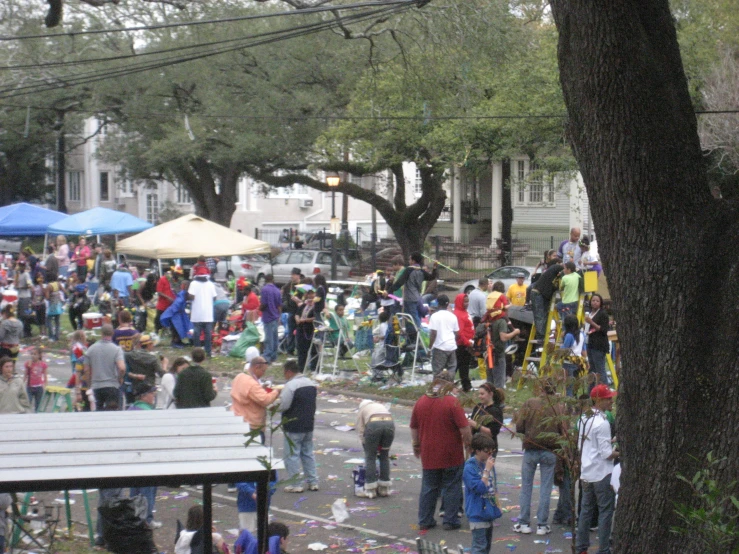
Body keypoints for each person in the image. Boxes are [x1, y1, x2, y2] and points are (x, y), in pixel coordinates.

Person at [410, 371, 472, 531]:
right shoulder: (452, 402)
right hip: (451, 452)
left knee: (429, 487)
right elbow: (465, 428)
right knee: (452, 486)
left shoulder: (421, 401)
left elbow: (414, 427)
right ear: (450, 384)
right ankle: (450, 520)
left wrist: (416, 446)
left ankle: (425, 519)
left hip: (428, 453)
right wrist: (468, 445)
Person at [513, 379, 565, 536]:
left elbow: (520, 426)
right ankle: (542, 524)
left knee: (526, 486)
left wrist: (526, 435)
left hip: (531, 448)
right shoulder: (559, 407)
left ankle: (524, 522)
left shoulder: (530, 403)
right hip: (549, 450)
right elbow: (563, 430)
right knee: (545, 488)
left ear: (540, 389)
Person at [576, 385, 618, 554]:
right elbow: (607, 454)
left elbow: (589, 443)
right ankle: (604, 549)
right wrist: (620, 451)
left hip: (586, 471)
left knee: (586, 511)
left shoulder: (583, 418)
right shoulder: (603, 423)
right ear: (598, 400)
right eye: (608, 398)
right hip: (602, 472)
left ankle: (581, 547)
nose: (611, 401)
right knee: (605, 512)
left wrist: (610, 440)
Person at [277, 360, 318, 493]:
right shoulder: (311, 383)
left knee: (292, 455)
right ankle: (313, 481)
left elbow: (284, 405)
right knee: (307, 453)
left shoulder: (290, 386)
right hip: (308, 424)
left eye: (285, 373)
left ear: (289, 372)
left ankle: (296, 484)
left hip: (293, 425)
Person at [388, 252, 437, 345]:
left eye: (410, 259)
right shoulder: (422, 271)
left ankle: (420, 337)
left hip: (409, 298)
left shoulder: (409, 270)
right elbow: (432, 277)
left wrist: (389, 291)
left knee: (413, 319)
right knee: (409, 319)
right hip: (417, 297)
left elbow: (399, 282)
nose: (409, 261)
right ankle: (411, 339)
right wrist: (434, 268)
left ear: (413, 260)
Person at [463, 434, 499, 554]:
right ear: (477, 450)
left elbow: (493, 486)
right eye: (486, 451)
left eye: (492, 451)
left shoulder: (487, 463)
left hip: (488, 510)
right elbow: (479, 488)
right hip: (477, 512)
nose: (490, 454)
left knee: (486, 547)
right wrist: (487, 470)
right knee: (479, 547)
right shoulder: (470, 467)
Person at [231, 356, 281, 441]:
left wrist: (261, 388)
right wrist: (276, 391)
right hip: (251, 424)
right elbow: (265, 400)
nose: (263, 374)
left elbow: (247, 394)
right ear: (256, 367)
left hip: (237, 418)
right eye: (263, 371)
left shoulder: (240, 376)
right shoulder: (251, 384)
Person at [356, 399, 395, 498]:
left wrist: (365, 444)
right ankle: (384, 488)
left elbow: (360, 429)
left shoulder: (362, 409)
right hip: (389, 423)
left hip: (373, 424)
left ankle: (370, 489)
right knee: (384, 455)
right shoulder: (379, 406)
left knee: (370, 457)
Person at [83, 324, 126, 411]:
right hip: (112, 386)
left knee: (97, 414)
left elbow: (86, 370)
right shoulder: (117, 349)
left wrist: (89, 385)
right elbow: (122, 368)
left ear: (101, 333)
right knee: (112, 414)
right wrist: (120, 378)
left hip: (96, 386)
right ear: (112, 333)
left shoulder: (91, 349)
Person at [530, 260, 564, 342]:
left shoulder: (552, 277)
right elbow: (558, 267)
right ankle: (541, 337)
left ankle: (543, 335)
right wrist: (568, 268)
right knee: (540, 316)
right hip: (538, 294)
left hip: (542, 295)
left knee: (543, 316)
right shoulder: (553, 268)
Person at [488, 304, 521, 388]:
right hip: (498, 354)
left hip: (488, 353)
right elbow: (503, 337)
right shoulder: (501, 321)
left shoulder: (490, 318)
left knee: (490, 382)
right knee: (499, 383)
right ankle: (498, 399)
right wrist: (515, 332)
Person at [188, 265, 217, 357]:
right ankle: (207, 352)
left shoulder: (193, 284)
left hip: (197, 314)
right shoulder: (210, 284)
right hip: (207, 314)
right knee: (207, 335)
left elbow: (191, 296)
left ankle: (198, 353)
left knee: (197, 334)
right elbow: (214, 297)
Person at [469, 383, 504, 457]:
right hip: (476, 446)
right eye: (479, 394)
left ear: (490, 394)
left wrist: (476, 425)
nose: (480, 396)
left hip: (487, 448)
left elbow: (492, 432)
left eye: (482, 394)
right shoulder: (478, 407)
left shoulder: (495, 410)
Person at [428, 294, 460, 376]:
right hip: (451, 347)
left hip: (440, 347)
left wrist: (429, 348)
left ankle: (438, 388)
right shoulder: (453, 316)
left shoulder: (434, 316)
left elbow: (433, 334)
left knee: (438, 372)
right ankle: (449, 386)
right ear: (448, 304)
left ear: (438, 304)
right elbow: (457, 333)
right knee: (451, 371)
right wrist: (452, 341)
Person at [585, 293, 610, 389]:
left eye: (597, 301)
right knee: (592, 369)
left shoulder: (602, 314)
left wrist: (592, 323)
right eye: (593, 300)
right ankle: (591, 390)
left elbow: (604, 329)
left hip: (598, 345)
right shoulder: (589, 313)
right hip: (589, 343)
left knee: (600, 369)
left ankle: (605, 390)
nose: (595, 303)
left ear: (600, 303)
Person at [453, 293, 475, 392]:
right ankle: (465, 386)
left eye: (468, 301)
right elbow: (459, 332)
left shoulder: (463, 312)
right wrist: (467, 342)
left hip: (466, 343)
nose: (467, 303)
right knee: (460, 366)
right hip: (462, 345)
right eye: (465, 301)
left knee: (463, 366)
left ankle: (466, 385)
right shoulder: (458, 314)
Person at [161, 280, 192, 348]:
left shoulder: (183, 293)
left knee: (179, 328)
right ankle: (175, 342)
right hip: (175, 314)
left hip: (177, 313)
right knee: (176, 329)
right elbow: (178, 303)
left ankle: (178, 341)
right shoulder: (183, 294)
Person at [259, 274, 282, 364]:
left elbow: (264, 304)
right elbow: (279, 305)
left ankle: (267, 357)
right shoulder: (277, 290)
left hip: (267, 316)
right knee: (275, 337)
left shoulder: (264, 289)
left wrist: (259, 308)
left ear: (265, 280)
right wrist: (279, 316)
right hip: (275, 316)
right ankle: (274, 356)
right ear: (273, 280)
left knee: (269, 339)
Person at [561, 314, 586, 396]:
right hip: (579, 361)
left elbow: (565, 349)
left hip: (568, 362)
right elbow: (583, 349)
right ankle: (574, 402)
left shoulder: (569, 335)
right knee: (575, 385)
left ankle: (569, 406)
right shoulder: (582, 334)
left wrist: (561, 340)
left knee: (569, 386)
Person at [280, 268, 303, 355]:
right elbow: (283, 291)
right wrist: (286, 302)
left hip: (300, 311)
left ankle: (299, 348)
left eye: (293, 274)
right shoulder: (289, 285)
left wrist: (299, 300)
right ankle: (290, 349)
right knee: (290, 331)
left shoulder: (302, 285)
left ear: (298, 275)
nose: (292, 276)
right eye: (291, 274)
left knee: (299, 331)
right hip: (291, 311)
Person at [295, 288, 316, 373]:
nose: (310, 296)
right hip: (301, 329)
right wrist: (297, 319)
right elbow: (297, 313)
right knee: (301, 350)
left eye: (312, 294)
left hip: (310, 330)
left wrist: (306, 320)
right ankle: (301, 367)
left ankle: (313, 367)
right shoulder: (304, 305)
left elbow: (316, 318)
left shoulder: (316, 307)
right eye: (309, 293)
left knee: (313, 349)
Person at [155, 268, 179, 333]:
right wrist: (168, 297)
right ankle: (158, 334)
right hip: (162, 305)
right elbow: (159, 292)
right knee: (159, 321)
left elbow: (175, 290)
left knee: (170, 322)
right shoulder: (162, 279)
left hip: (171, 306)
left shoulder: (173, 281)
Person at [24, 346, 47, 411]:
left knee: (38, 404)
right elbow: (25, 374)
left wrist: (45, 385)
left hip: (39, 387)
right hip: (30, 386)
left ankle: (37, 416)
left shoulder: (43, 364)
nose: (33, 356)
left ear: (39, 355)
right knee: (28, 402)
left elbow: (45, 376)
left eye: (35, 354)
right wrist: (23, 383)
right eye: (32, 354)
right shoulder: (28, 363)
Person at [15, 260, 33, 337]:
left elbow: (30, 285)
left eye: (22, 265)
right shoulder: (18, 275)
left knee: (24, 314)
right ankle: (20, 331)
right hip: (20, 296)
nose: (21, 267)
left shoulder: (26, 275)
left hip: (25, 296)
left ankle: (27, 330)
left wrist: (21, 287)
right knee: (19, 315)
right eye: (20, 265)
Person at [45, 273, 64, 342]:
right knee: (57, 321)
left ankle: (51, 336)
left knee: (49, 320)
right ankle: (57, 336)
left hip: (52, 305)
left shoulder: (48, 286)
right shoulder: (58, 284)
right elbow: (64, 290)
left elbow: (47, 297)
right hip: (58, 304)